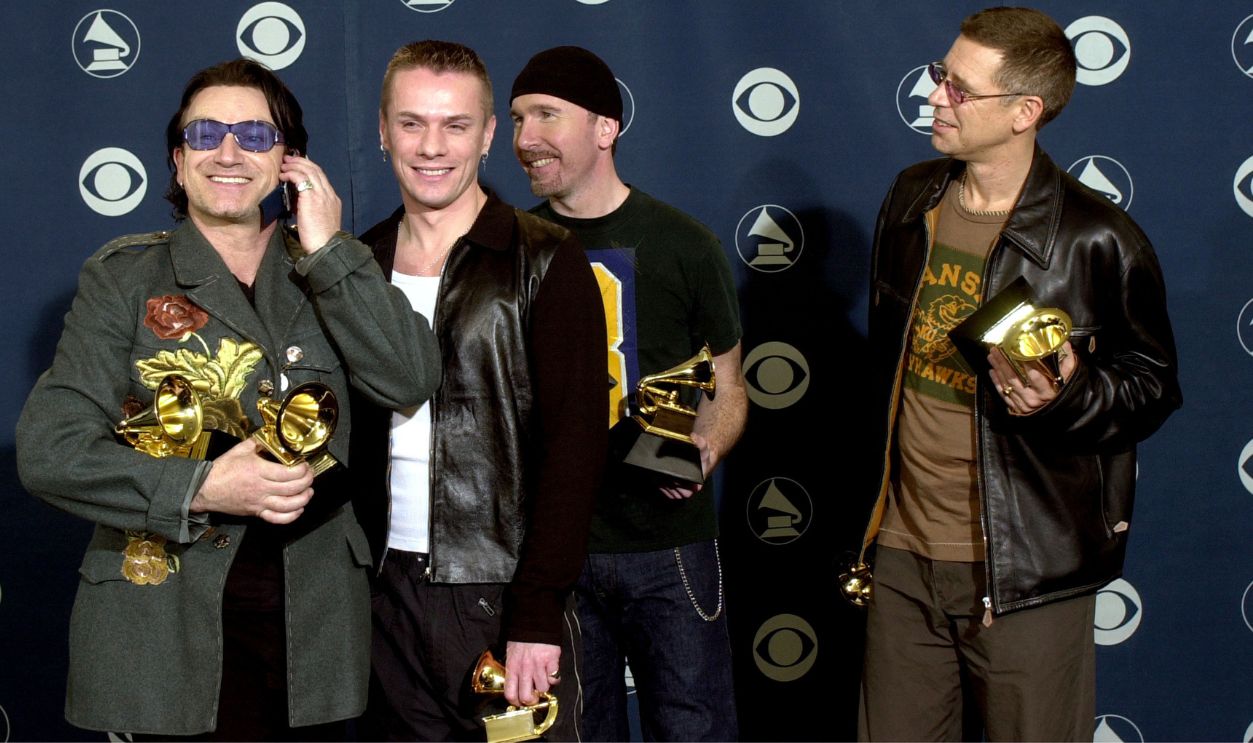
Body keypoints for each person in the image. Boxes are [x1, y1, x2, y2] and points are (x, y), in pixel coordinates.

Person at [15, 58, 440, 740]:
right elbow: (50, 451)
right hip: (163, 631)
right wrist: (204, 484)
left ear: (289, 161)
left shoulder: (333, 268)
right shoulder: (123, 277)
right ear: (177, 161)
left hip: (313, 635)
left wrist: (328, 248)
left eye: (254, 134)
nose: (229, 151)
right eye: (207, 132)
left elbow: (409, 378)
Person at [854, 7, 1181, 741]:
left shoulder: (1097, 237)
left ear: (1023, 113)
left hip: (1023, 567)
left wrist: (1065, 397)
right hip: (901, 555)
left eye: (958, 88)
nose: (933, 96)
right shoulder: (912, 198)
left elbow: (1152, 385)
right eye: (940, 76)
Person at [352, 40, 607, 742]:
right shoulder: (356, 265)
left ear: (489, 134)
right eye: (411, 123)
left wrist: (535, 613)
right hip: (377, 593)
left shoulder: (546, 259)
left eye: (455, 125)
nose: (431, 146)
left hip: (498, 592)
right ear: (382, 131)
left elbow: (577, 452)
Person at [509, 46, 748, 742]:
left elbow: (728, 386)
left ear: (605, 128)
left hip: (667, 546)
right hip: (555, 548)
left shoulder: (682, 244)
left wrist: (705, 447)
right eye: (519, 117)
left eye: (547, 114)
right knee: (577, 731)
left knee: (695, 728)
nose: (526, 137)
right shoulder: (512, 247)